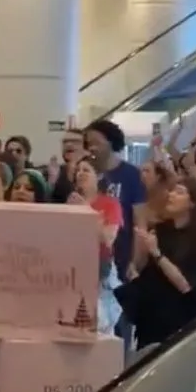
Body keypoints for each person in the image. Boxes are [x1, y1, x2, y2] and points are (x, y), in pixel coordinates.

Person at [120, 178, 196, 350]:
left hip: (180, 320)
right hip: (151, 316)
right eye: (172, 191)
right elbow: (143, 268)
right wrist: (140, 251)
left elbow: (185, 284)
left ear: (193, 202)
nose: (171, 195)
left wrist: (157, 254)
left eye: (179, 192)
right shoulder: (162, 230)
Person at [84, 119, 145, 350]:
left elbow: (140, 219)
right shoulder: (86, 176)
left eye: (96, 142)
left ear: (111, 142)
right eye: (88, 143)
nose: (91, 148)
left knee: (119, 322)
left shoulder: (130, 175)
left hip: (121, 254)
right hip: (92, 259)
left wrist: (135, 260)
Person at [67, 158, 124, 335]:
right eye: (78, 170)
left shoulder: (110, 203)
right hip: (73, 269)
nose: (80, 173)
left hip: (100, 268)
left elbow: (108, 238)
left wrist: (85, 210)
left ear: (98, 176)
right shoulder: (70, 202)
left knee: (101, 322)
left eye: (86, 170)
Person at [48, 129, 85, 204]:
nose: (69, 144)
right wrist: (52, 181)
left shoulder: (94, 172)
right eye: (65, 142)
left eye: (75, 141)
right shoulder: (52, 172)